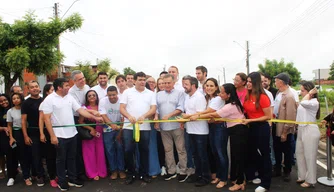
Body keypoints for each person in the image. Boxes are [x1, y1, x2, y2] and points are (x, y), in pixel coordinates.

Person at [40, 78, 103, 191]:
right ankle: (62, 181)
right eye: (66, 85)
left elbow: (80, 110)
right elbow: (47, 119)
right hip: (59, 135)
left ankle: (72, 179)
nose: (69, 87)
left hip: (72, 133)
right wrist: (52, 136)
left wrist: (95, 117)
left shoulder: (69, 97)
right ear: (59, 87)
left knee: (72, 158)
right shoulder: (49, 100)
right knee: (61, 159)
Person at [192, 83, 248, 191]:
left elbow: (213, 114)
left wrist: (197, 116)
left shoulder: (230, 105)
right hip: (234, 131)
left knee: (236, 157)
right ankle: (234, 179)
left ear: (228, 94)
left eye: (222, 92)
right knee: (231, 156)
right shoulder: (229, 103)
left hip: (239, 132)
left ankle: (235, 181)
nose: (220, 94)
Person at [185, 78, 228, 189]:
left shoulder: (218, 99)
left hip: (219, 127)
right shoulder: (208, 98)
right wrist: (193, 116)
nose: (208, 88)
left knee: (220, 154)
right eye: (207, 86)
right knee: (214, 153)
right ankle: (218, 176)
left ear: (216, 87)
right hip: (212, 127)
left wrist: (192, 116)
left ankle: (223, 178)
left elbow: (208, 112)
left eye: (211, 86)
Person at [120, 72, 156, 184]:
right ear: (134, 81)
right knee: (128, 151)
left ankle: (144, 174)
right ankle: (131, 174)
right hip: (128, 127)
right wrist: (129, 116)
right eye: (140, 79)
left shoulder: (150, 93)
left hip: (144, 127)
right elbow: (122, 108)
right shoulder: (127, 92)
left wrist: (144, 116)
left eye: (143, 79)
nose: (142, 82)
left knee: (144, 150)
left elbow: (153, 109)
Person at [154, 74, 187, 182]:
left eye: (169, 83)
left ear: (173, 83)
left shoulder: (180, 93)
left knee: (180, 149)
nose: (167, 85)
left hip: (177, 126)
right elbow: (157, 109)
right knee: (168, 150)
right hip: (164, 127)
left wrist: (169, 115)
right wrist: (156, 118)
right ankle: (171, 171)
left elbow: (180, 108)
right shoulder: (158, 94)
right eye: (165, 83)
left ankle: (183, 171)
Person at [242, 72, 272, 192]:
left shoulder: (263, 97)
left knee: (265, 155)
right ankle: (259, 175)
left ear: (256, 83)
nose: (248, 84)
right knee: (253, 153)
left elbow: (268, 116)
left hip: (261, 128)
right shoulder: (248, 95)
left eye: (250, 82)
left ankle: (266, 183)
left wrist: (250, 120)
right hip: (251, 127)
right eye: (247, 81)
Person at [181, 75, 210, 187]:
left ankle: (205, 177)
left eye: (186, 84)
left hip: (200, 131)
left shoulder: (199, 96)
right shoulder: (188, 96)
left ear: (193, 85)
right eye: (183, 84)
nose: (184, 86)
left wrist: (186, 116)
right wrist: (184, 119)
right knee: (195, 155)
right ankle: (198, 174)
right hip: (191, 130)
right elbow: (189, 113)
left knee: (202, 155)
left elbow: (200, 114)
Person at [272, 73, 297, 182]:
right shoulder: (279, 93)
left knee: (287, 151)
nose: (275, 83)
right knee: (277, 149)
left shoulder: (289, 96)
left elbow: (290, 117)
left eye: (276, 81)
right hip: (276, 126)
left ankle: (287, 171)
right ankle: (278, 169)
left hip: (284, 129)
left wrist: (285, 132)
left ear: (281, 82)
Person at [295, 82, 320, 188]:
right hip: (301, 129)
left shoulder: (314, 102)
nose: (300, 93)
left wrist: (309, 94)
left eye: (302, 90)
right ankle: (302, 176)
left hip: (310, 130)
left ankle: (311, 180)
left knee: (310, 156)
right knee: (299, 154)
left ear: (310, 92)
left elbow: (303, 103)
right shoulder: (305, 101)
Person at [21, 80, 46, 186]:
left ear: (39, 87)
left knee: (47, 154)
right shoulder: (26, 103)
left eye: (36, 86)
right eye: (32, 87)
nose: (35, 88)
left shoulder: (45, 100)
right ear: (28, 89)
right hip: (33, 133)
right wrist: (26, 136)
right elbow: (23, 121)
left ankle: (51, 174)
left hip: (46, 131)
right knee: (36, 156)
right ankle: (40, 176)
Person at [78, 90, 107, 180]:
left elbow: (106, 119)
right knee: (89, 154)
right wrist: (90, 129)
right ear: (87, 98)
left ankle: (102, 171)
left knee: (100, 153)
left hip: (100, 133)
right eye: (89, 96)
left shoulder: (101, 107)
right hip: (89, 134)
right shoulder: (84, 108)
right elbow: (80, 122)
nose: (91, 97)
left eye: (93, 95)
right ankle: (92, 173)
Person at [99, 86, 125, 180]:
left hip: (119, 127)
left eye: (114, 95)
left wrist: (120, 131)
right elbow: (103, 115)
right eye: (110, 95)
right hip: (107, 128)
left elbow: (123, 117)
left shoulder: (122, 100)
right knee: (109, 150)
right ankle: (114, 170)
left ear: (117, 93)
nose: (112, 97)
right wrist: (111, 124)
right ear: (107, 94)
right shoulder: (103, 101)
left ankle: (121, 170)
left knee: (120, 148)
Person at [68, 70, 91, 181]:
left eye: (83, 78)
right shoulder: (71, 92)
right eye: (80, 79)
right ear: (74, 81)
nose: (83, 81)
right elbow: (79, 107)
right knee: (77, 148)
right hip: (76, 119)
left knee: (88, 146)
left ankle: (89, 170)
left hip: (88, 117)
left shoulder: (87, 87)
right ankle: (79, 172)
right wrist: (93, 113)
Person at [38, 83, 57, 187]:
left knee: (58, 155)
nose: (54, 92)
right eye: (51, 90)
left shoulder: (58, 101)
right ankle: (52, 177)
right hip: (48, 132)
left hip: (59, 132)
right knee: (50, 156)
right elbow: (41, 120)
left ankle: (58, 174)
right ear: (46, 92)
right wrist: (41, 133)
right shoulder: (44, 103)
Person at [6, 93, 26, 186]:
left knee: (24, 155)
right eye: (14, 98)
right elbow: (9, 125)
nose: (16, 100)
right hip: (16, 133)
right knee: (13, 155)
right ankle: (11, 177)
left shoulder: (25, 109)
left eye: (18, 98)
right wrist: (11, 137)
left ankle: (27, 176)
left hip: (26, 133)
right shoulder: (10, 111)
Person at [0, 94, 11, 181]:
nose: (4, 102)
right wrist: (3, 128)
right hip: (2, 136)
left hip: (12, 135)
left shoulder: (12, 109)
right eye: (1, 101)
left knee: (11, 154)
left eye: (5, 100)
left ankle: (13, 170)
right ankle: (3, 171)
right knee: (1, 155)